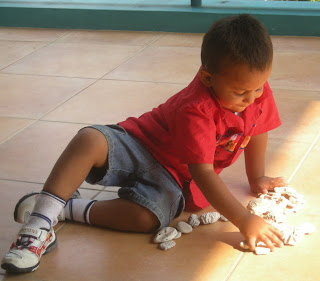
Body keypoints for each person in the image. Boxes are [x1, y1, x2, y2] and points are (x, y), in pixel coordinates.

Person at [1, 14, 286, 273]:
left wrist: (256, 176)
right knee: (89, 139)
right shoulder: (196, 108)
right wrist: (243, 220)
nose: (252, 98)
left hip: (175, 177)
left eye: (259, 87)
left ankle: (63, 209)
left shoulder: (255, 91)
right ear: (207, 78)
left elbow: (258, 126)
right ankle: (38, 223)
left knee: (148, 219)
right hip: (141, 144)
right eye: (240, 92)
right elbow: (204, 172)